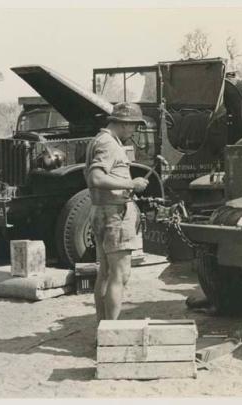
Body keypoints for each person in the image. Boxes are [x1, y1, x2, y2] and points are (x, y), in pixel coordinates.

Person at [84, 102, 149, 323]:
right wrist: (132, 184)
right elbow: (96, 178)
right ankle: (110, 331)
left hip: (101, 211)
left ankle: (102, 329)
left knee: (105, 273)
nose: (134, 131)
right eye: (133, 126)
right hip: (114, 215)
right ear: (124, 123)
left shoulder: (99, 140)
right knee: (119, 275)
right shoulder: (109, 144)